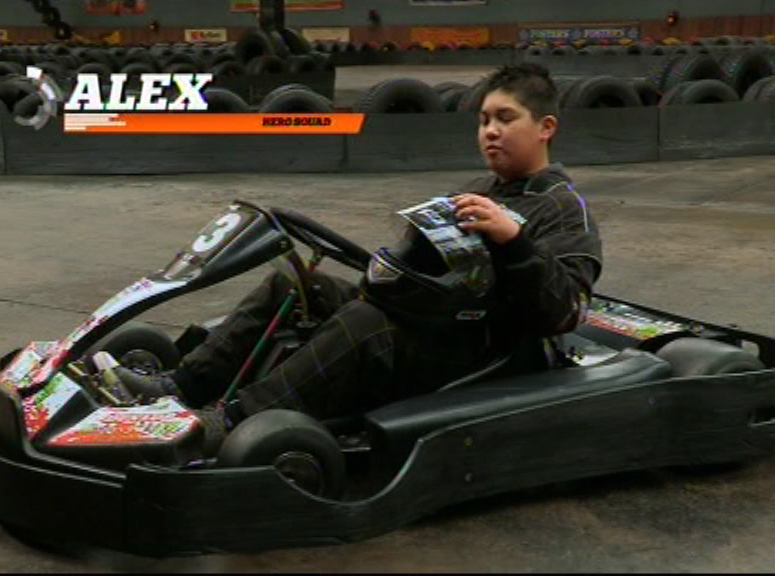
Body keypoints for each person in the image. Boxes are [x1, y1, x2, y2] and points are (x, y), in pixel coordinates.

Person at [114, 62, 603, 457]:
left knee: (366, 324)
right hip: (441, 322)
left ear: (546, 128)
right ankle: (181, 385)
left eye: (505, 119)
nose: (490, 131)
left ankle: (232, 421)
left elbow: (564, 312)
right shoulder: (476, 192)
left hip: (486, 349)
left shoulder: (562, 208)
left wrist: (514, 241)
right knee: (297, 286)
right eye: (483, 121)